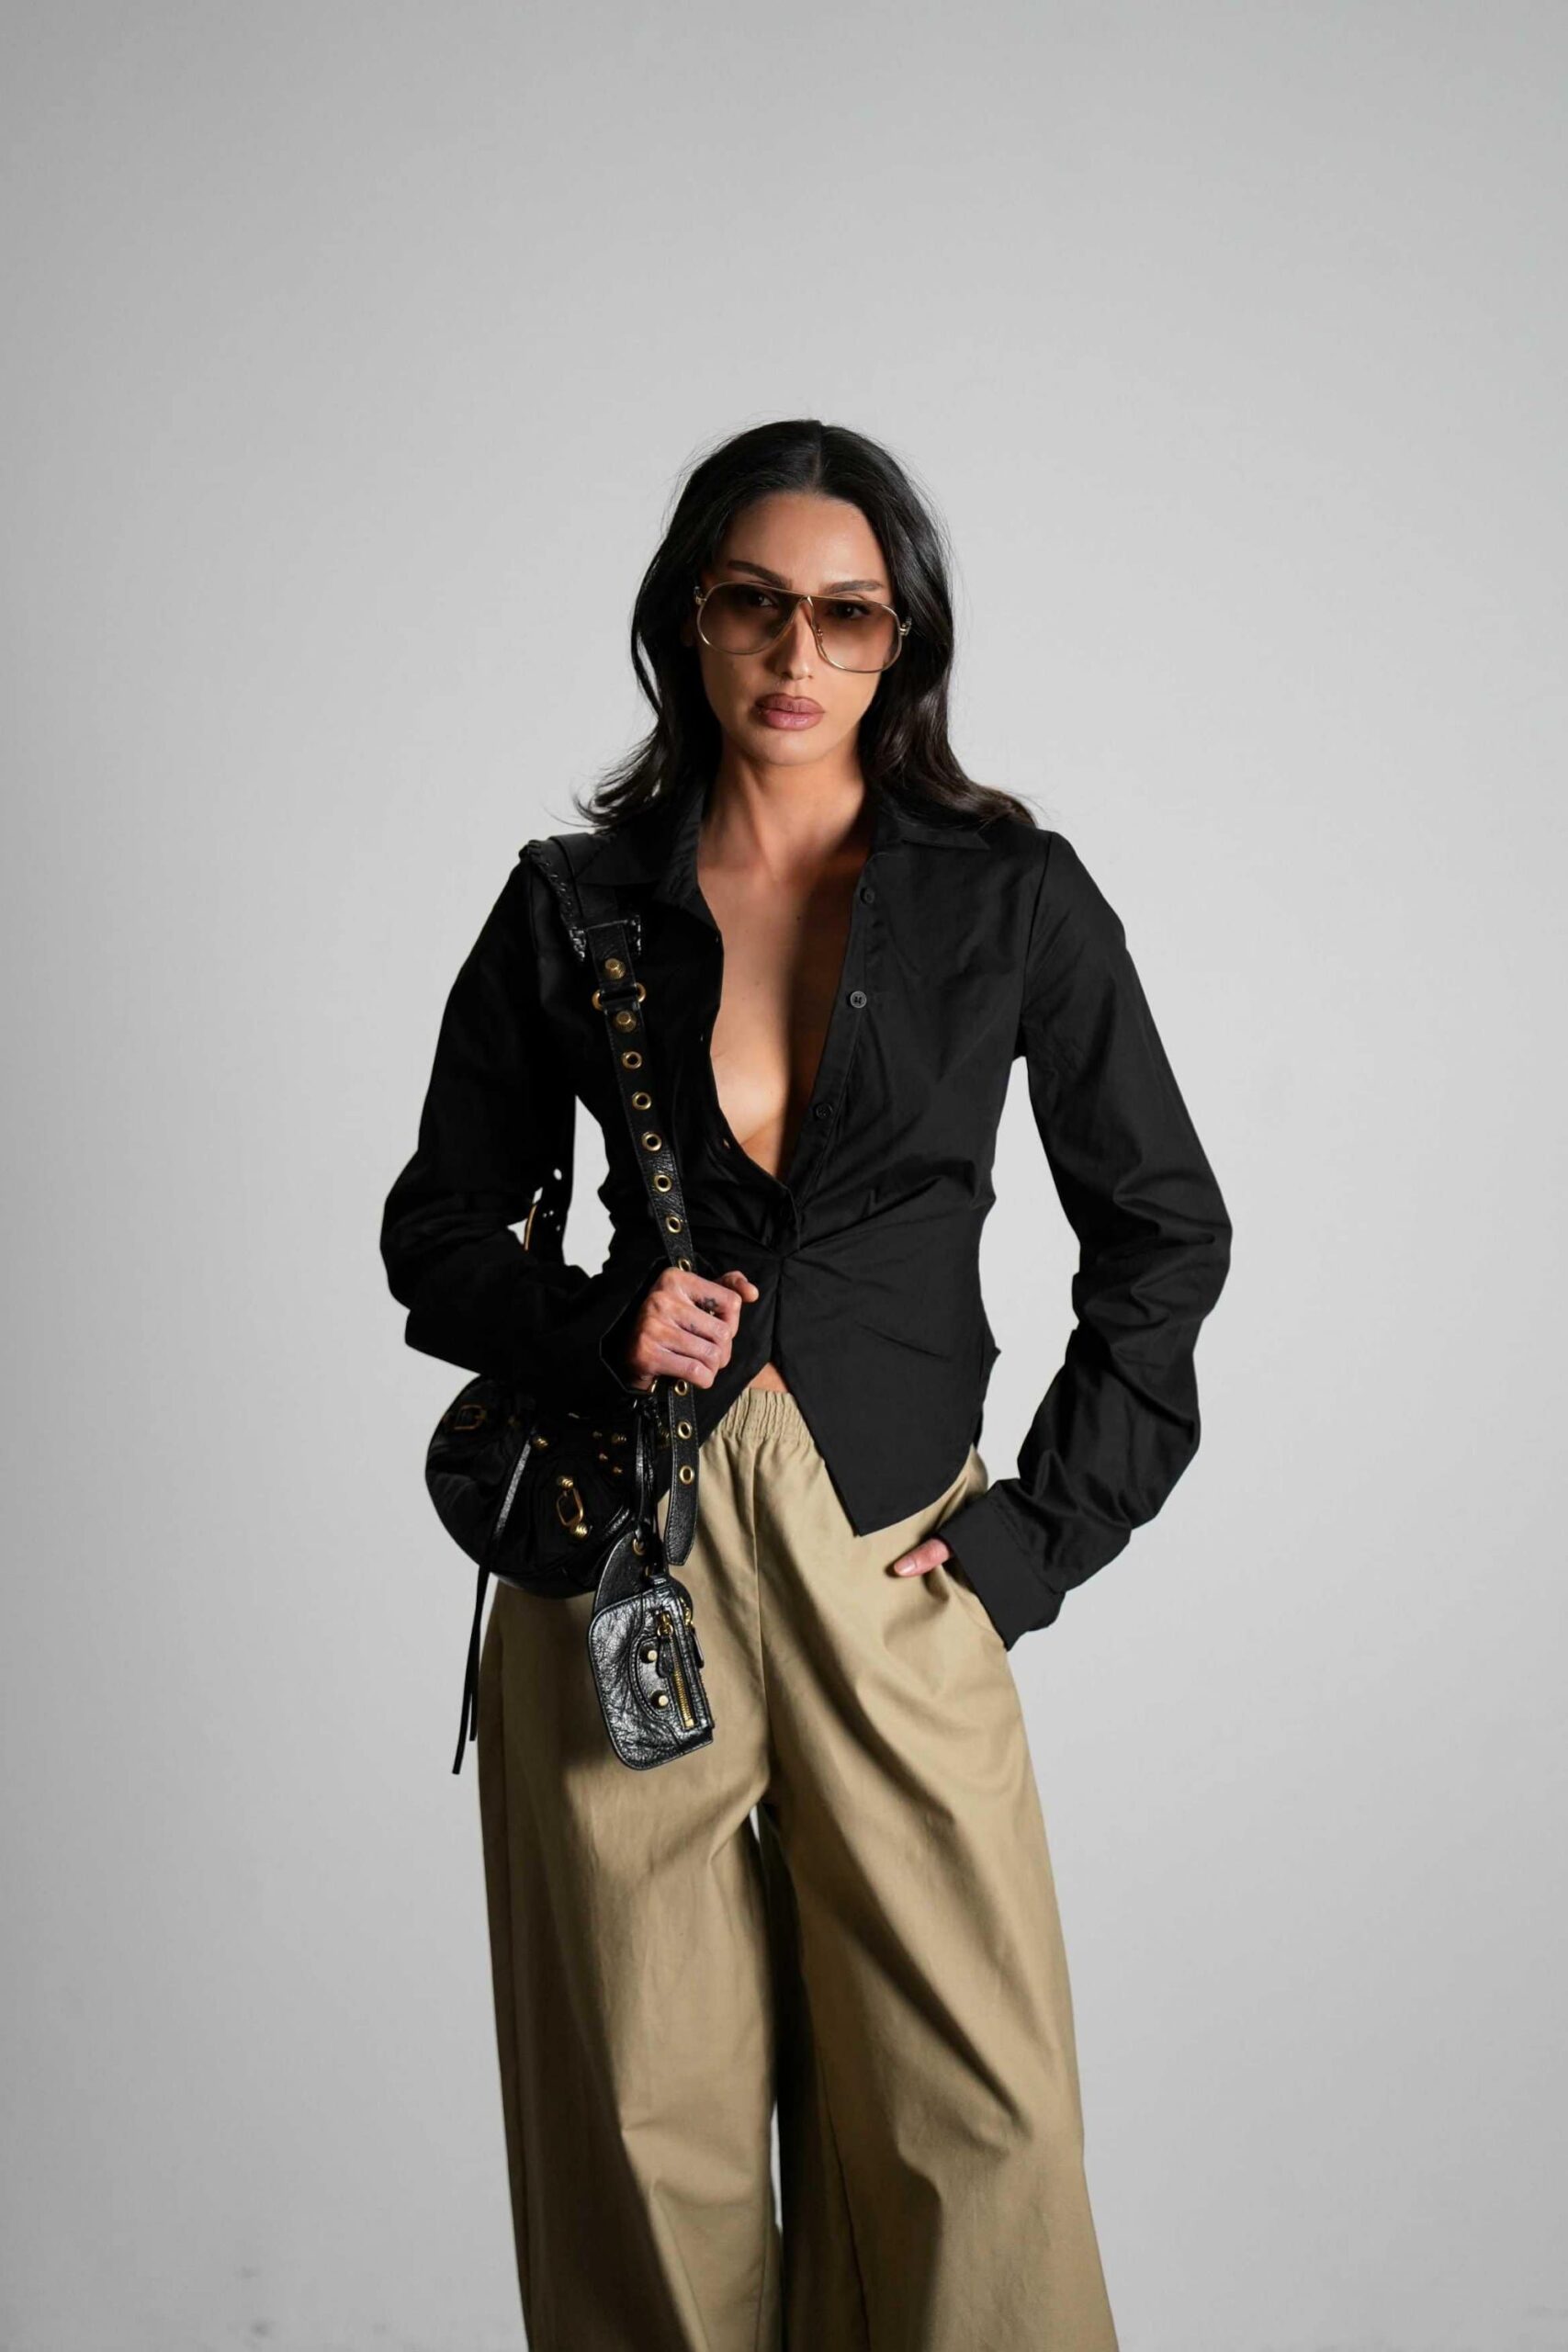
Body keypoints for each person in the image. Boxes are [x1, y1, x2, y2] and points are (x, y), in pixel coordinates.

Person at [379, 418, 1232, 2351]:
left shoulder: (1010, 896)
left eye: (847, 614)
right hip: (624, 1568)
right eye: (753, 602)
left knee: (978, 2126)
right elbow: (435, 1225)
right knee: (644, 2129)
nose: (795, 651)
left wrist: (1037, 1543)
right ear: (687, 618)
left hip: (896, 1556)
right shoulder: (571, 900)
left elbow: (1164, 1230)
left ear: (900, 640)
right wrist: (597, 1327)